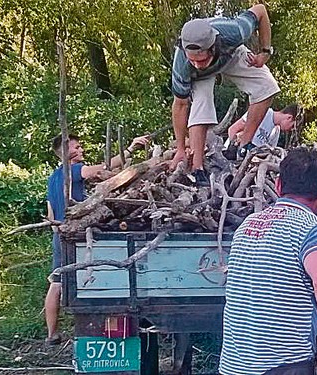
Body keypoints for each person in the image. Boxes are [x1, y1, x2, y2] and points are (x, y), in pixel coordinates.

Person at [220, 147, 317, 375]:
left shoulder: (248, 225)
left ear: (279, 185)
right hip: (283, 367)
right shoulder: (311, 229)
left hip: (234, 367)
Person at [44, 133, 150, 345]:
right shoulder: (73, 170)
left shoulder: (53, 177)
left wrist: (58, 232)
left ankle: (52, 334)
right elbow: (102, 168)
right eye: (77, 147)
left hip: (60, 234)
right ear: (67, 152)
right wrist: (130, 149)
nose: (81, 150)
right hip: (77, 235)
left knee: (56, 283)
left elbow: (49, 215)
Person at [170, 3, 280, 186]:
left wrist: (265, 52)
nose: (197, 63)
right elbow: (180, 105)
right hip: (200, 78)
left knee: (267, 86)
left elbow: (260, 10)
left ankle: (244, 145)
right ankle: (198, 168)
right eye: (193, 60)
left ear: (213, 46)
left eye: (202, 59)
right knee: (201, 104)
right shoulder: (182, 65)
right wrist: (181, 148)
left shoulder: (234, 31)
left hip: (230, 54)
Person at [224, 104, 298, 157]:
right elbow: (233, 129)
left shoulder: (276, 131)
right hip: (232, 155)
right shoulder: (262, 113)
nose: (290, 130)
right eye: (292, 126)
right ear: (289, 117)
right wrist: (232, 150)